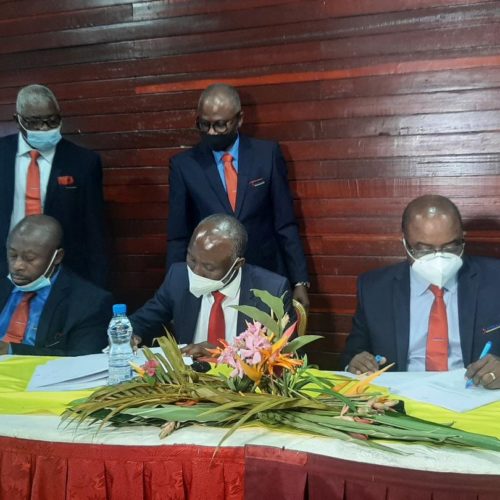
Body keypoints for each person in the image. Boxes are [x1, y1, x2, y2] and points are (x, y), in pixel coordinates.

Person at [166, 83, 310, 308]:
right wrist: (175, 291)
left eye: (220, 125)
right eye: (204, 124)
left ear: (239, 119)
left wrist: (299, 280)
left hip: (266, 275)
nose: (211, 132)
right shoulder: (184, 166)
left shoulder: (267, 155)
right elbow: (178, 235)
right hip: (212, 283)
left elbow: (285, 223)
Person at [342, 195, 500, 389]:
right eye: (425, 250)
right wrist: (355, 364)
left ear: (462, 238)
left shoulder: (495, 279)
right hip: (402, 394)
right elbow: (352, 354)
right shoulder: (375, 288)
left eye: (450, 247)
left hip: (474, 392)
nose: (439, 258)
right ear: (405, 243)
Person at [130, 214, 295, 358]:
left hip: (244, 382)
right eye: (192, 259)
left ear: (237, 265)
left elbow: (287, 356)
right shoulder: (178, 277)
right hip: (188, 379)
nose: (196, 272)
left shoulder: (272, 291)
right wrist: (128, 335)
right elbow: (142, 321)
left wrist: (223, 354)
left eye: (209, 267)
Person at [0, 84, 107, 287]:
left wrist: (97, 286)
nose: (44, 128)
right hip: (6, 268)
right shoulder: (2, 154)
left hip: (64, 272)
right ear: (17, 120)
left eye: (52, 121)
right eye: (34, 122)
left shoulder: (83, 162)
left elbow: (94, 231)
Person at [0, 215, 112, 356]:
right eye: (12, 255)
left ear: (57, 257)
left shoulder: (90, 303)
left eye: (29, 259)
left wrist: (10, 351)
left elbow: (82, 359)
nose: (17, 266)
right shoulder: (3, 285)